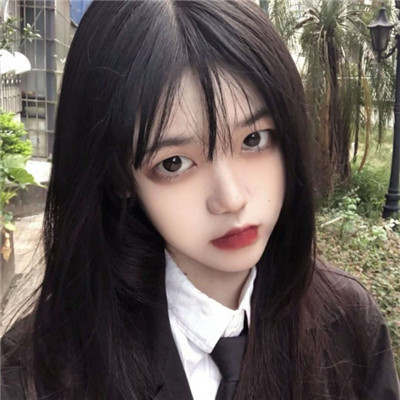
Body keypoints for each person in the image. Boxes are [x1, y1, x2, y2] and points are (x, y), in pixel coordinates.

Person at [1, 1, 399, 399]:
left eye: (254, 139)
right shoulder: (39, 374)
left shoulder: (350, 326)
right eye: (174, 162)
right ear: (120, 176)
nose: (231, 198)